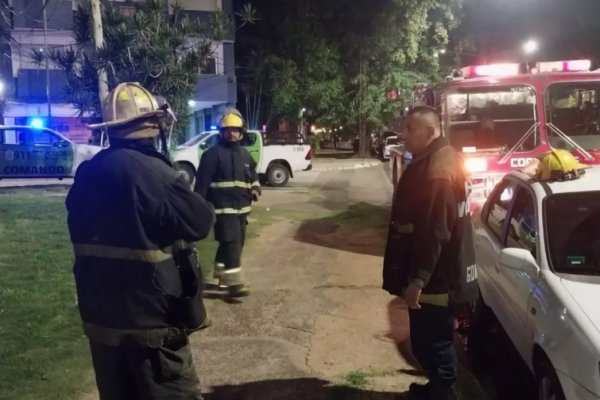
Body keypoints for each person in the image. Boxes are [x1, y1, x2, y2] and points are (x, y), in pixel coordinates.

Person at [66, 82, 215, 400]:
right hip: (151, 328)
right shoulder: (154, 174)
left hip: (103, 325)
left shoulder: (87, 174)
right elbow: (200, 221)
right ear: (154, 123)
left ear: (113, 129)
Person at [382, 106, 476, 400]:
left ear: (430, 131)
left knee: (433, 341)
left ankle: (442, 393)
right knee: (427, 339)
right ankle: (436, 388)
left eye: (411, 128)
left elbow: (436, 232)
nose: (404, 134)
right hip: (438, 273)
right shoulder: (439, 160)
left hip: (437, 277)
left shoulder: (439, 170)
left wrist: (418, 280)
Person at [194, 109, 261, 298]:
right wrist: (198, 208)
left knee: (234, 244)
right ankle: (234, 284)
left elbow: (254, 177)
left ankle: (221, 273)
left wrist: (255, 189)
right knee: (232, 242)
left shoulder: (246, 155)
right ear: (221, 133)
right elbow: (201, 185)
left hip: (242, 210)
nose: (232, 133)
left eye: (235, 130)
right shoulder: (211, 155)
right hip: (222, 210)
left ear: (241, 133)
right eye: (228, 130)